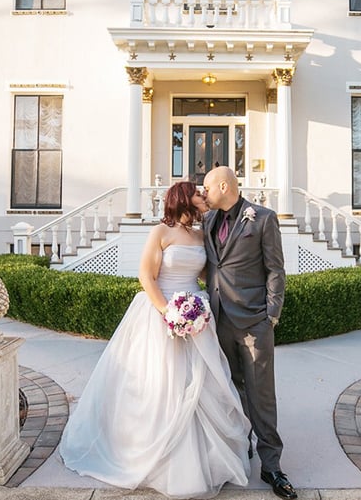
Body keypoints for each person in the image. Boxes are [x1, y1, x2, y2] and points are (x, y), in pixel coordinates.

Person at [59, 180, 251, 499]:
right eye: (197, 193)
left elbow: (205, 274)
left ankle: (208, 460)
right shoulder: (160, 232)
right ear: (182, 198)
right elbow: (146, 276)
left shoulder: (202, 234)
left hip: (197, 313)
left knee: (202, 385)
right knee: (162, 384)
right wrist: (168, 312)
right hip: (161, 313)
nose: (202, 196)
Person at [202, 166, 297, 500]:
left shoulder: (264, 218)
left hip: (254, 322)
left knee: (261, 394)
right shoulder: (208, 221)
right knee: (230, 389)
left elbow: (276, 269)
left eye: (207, 188)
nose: (204, 194)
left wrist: (271, 315)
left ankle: (272, 465)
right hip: (218, 319)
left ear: (224, 186)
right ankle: (241, 447)